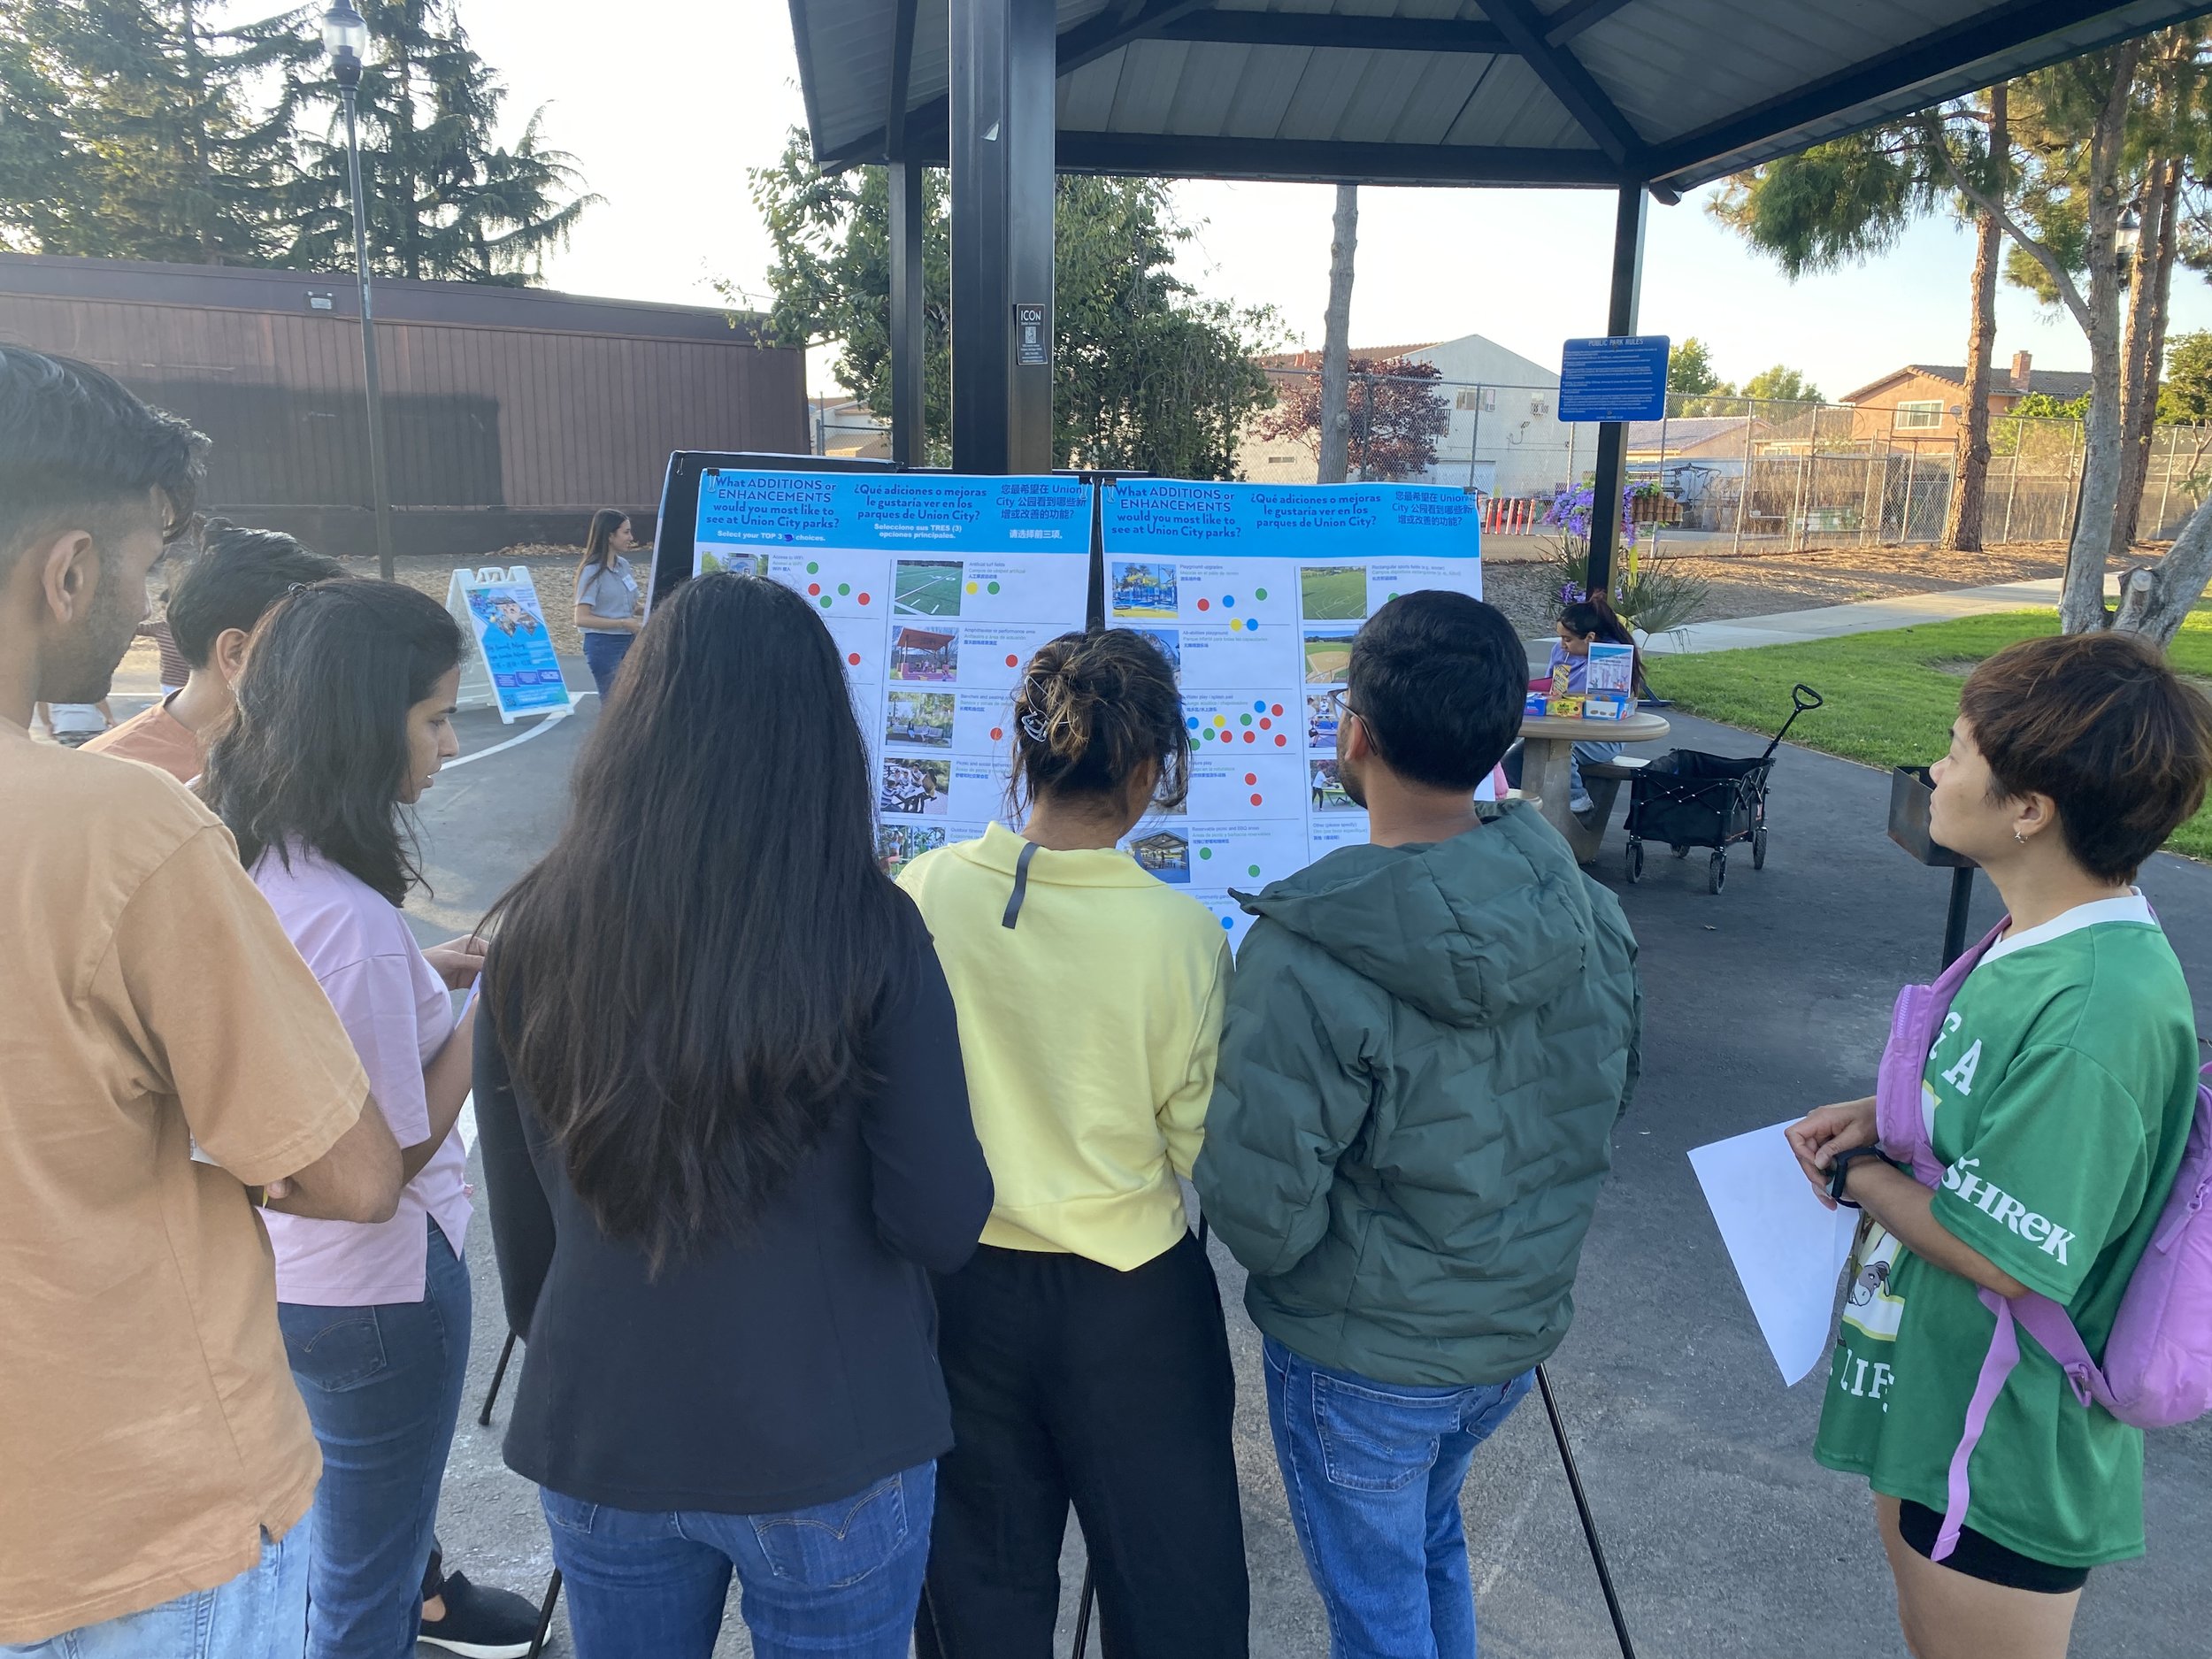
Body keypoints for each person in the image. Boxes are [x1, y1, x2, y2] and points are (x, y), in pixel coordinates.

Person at [473, 571, 994, 1659]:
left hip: (604, 1416)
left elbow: (524, 1245)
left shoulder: (535, 930)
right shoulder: (869, 931)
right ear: (818, 741)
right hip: (828, 1427)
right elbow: (940, 1219)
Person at [0, 347, 404, 1655]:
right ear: (66, 570)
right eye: (141, 567)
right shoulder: (121, 827)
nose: (145, 609)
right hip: (135, 1518)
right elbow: (348, 1171)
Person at [1194, 591, 1640, 1659]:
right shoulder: (1583, 906)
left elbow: (1262, 1214)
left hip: (1363, 1350)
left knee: (1378, 1606)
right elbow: (1605, 1093)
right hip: (1508, 1328)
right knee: (1428, 1541)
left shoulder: (1306, 951)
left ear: (1354, 733)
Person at [1788, 633, 2212, 1659]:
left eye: (1955, 750)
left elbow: (2002, 1254)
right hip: (1936, 1398)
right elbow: (1997, 1100)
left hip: (2003, 1439)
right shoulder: (2043, 933)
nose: (1935, 772)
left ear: (2029, 809)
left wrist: (1858, 1173)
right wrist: (1883, 1114)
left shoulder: (2096, 1009)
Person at [196, 579, 540, 1659]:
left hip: (284, 1278)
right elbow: (382, 1158)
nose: (450, 744)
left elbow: (316, 1037)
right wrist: (489, 1014)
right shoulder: (349, 920)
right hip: (380, 1296)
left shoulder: (252, 862)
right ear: (361, 723)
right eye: (434, 719)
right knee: (370, 1584)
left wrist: (419, 977)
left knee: (325, 1551)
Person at [897, 630, 1248, 1659]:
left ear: (1023, 754)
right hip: (1132, 1301)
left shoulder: (924, 888)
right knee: (1174, 1590)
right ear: (1150, 771)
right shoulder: (1181, 936)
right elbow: (1197, 1141)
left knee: (974, 1592)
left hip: (958, 1292)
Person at [87, 519, 343, 782]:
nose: (333, 667)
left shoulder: (322, 750)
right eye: (315, 647)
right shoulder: (106, 777)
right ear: (237, 652)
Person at [1502, 593, 1636, 812]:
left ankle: (1577, 799)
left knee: (1561, 750)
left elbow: (1609, 701)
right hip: (1560, 727)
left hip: (1601, 736)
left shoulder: (1613, 657)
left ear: (1590, 638)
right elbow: (1551, 686)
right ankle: (1521, 808)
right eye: (1560, 638)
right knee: (1512, 761)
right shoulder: (1560, 651)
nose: (1562, 645)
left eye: (1568, 639)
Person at [572, 508, 642, 698]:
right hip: (604, 645)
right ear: (610, 536)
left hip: (630, 641)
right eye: (626, 532)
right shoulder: (591, 571)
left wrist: (653, 608)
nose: (631, 537)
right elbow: (581, 618)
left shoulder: (623, 566)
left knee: (634, 700)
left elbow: (631, 605)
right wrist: (622, 623)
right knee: (614, 701)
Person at [35, 696, 110, 745]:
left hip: (65, 726)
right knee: (93, 759)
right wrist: (109, 717)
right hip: (91, 725)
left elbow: (41, 702)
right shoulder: (91, 676)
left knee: (72, 759)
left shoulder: (50, 678)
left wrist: (47, 723)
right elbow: (99, 699)